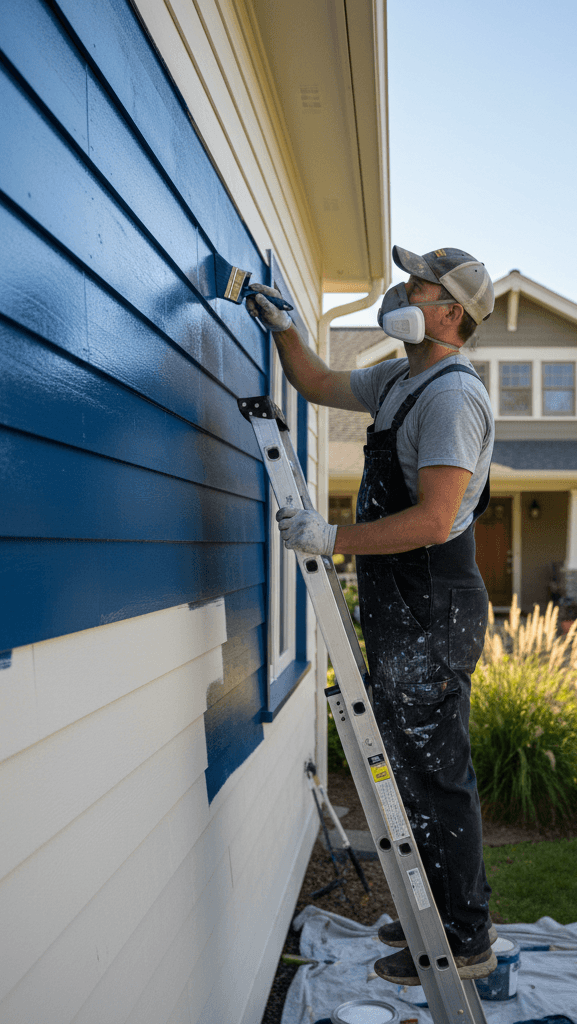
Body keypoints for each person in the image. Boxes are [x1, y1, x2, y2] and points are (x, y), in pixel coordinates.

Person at [246, 246, 498, 985]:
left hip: (433, 601)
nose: (403, 289)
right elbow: (320, 382)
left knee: (436, 771)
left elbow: (435, 519)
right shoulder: (400, 377)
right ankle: (437, 917)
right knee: (412, 767)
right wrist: (287, 329)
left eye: (420, 284)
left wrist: (333, 539)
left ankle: (464, 940)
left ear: (450, 312)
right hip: (403, 598)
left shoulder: (452, 396)